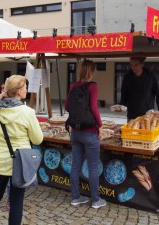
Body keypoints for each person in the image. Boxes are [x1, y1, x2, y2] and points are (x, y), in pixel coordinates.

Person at [0, 75, 44, 225]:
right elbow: (37, 139)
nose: (27, 90)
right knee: (16, 202)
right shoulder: (27, 112)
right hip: (20, 163)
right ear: (19, 91)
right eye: (25, 88)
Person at [64, 60, 106, 209]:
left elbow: (66, 106)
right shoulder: (92, 86)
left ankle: (75, 197)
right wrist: (100, 125)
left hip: (75, 132)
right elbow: (94, 108)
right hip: (89, 132)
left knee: (75, 166)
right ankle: (95, 200)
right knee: (93, 167)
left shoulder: (73, 86)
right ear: (92, 71)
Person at [116, 57, 159, 121]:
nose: (133, 67)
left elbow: (158, 93)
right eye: (131, 65)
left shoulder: (151, 75)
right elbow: (124, 94)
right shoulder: (127, 77)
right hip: (132, 115)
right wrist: (121, 106)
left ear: (142, 64)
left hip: (147, 115)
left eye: (136, 65)